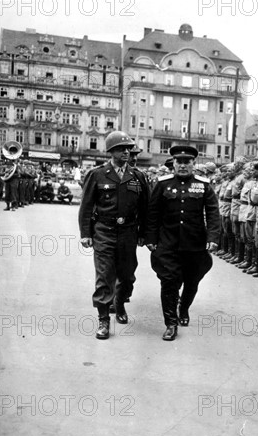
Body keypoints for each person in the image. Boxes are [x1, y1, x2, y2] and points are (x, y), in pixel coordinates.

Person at [78, 131, 150, 340]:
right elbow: (86, 206)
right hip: (104, 232)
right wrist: (86, 233)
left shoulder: (138, 176)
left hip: (128, 233)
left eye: (128, 149)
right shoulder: (97, 174)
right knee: (104, 276)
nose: (126, 152)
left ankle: (119, 302)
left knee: (127, 276)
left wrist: (144, 233)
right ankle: (103, 320)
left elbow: (145, 208)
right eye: (121, 149)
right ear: (111, 152)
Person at [145, 145, 221, 341]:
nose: (183, 166)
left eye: (187, 162)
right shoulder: (162, 184)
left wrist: (213, 238)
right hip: (168, 243)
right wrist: (151, 239)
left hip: (195, 245)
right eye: (179, 162)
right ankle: (171, 323)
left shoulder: (203, 185)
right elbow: (152, 214)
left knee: (192, 281)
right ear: (174, 164)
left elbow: (213, 213)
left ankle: (184, 308)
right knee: (169, 283)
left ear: (193, 164)